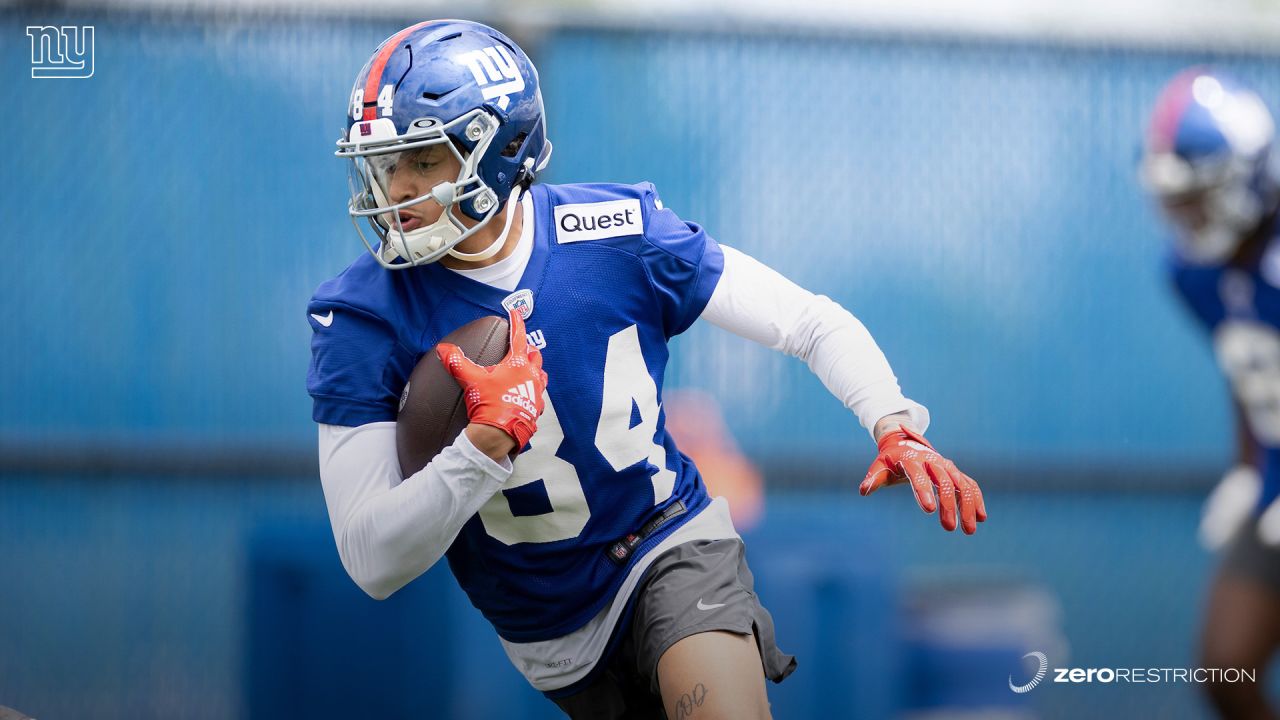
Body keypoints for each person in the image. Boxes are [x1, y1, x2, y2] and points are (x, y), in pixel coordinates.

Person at [307, 19, 986, 718]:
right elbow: (372, 562)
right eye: (387, 163)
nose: (398, 189)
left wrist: (892, 419)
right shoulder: (359, 315)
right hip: (547, 625)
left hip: (668, 541)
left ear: (501, 148)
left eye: (423, 160)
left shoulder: (616, 233)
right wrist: (481, 448)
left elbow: (808, 322)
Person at [1142, 66, 1280, 719]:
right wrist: (1248, 471)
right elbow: (1246, 369)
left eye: (1198, 198)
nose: (1186, 218)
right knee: (1225, 667)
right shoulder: (1193, 273)